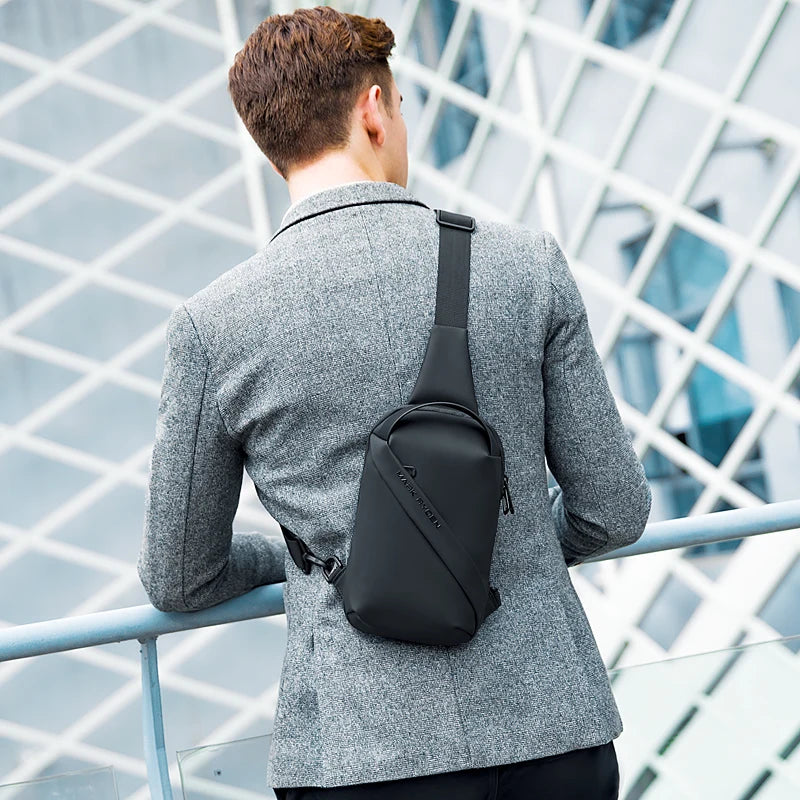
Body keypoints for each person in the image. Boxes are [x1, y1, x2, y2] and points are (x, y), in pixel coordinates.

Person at [136, 6, 652, 800]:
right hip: (551, 734)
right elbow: (613, 509)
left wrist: (310, 561)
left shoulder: (216, 325)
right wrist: (498, 544)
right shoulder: (525, 265)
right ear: (374, 110)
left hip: (361, 757)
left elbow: (178, 576)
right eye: (403, 107)